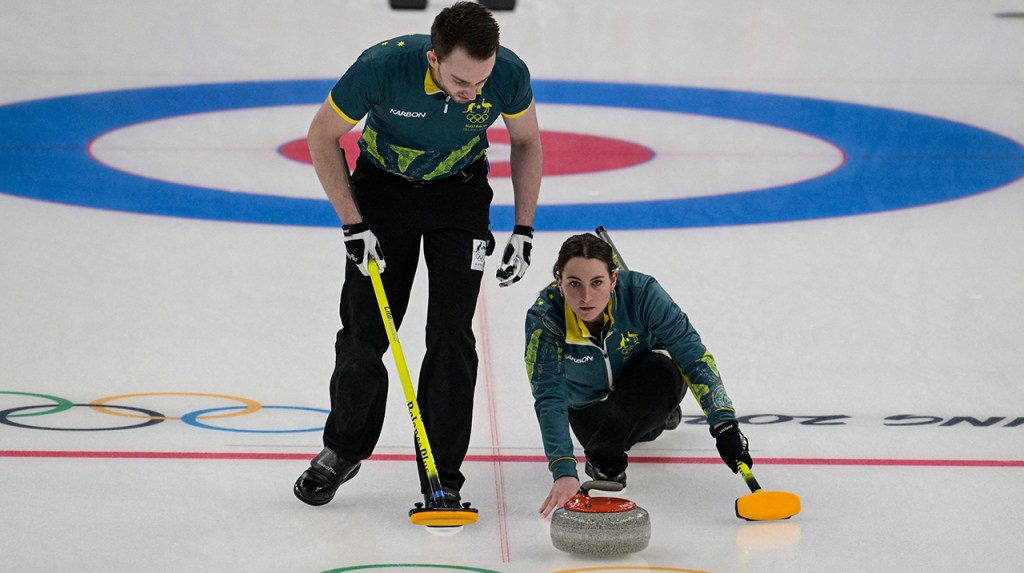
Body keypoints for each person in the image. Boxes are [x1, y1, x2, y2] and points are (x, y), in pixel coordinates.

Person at [294, 1, 542, 509]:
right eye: (460, 80)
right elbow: (321, 137)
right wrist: (353, 223)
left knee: (451, 339)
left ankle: (442, 475)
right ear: (432, 58)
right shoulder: (381, 68)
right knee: (365, 333)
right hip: (384, 195)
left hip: (461, 195)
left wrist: (524, 227)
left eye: (482, 81)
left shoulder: (509, 73)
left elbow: (527, 141)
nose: (473, 92)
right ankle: (342, 450)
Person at [524, 233, 752, 517]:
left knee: (660, 376)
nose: (586, 297)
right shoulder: (545, 319)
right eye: (574, 284)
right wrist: (563, 470)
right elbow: (549, 394)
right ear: (559, 281)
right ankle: (653, 422)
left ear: (614, 279)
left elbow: (692, 354)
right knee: (617, 431)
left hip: (646, 377)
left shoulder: (642, 293)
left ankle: (652, 416)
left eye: (597, 283)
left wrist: (724, 423)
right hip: (588, 404)